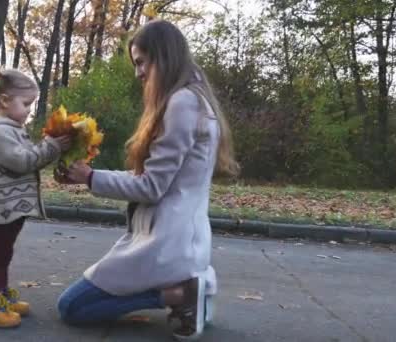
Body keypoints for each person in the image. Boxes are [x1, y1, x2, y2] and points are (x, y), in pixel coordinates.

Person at [55, 20, 239, 340]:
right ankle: (192, 291)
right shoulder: (193, 99)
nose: (138, 72)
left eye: (141, 62)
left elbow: (151, 188)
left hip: (165, 242)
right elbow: (151, 177)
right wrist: (87, 176)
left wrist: (91, 178)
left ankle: (180, 295)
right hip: (178, 239)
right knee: (77, 304)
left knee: (73, 307)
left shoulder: (182, 103)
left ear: (162, 56)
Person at [0, 68, 71, 328]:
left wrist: (52, 147)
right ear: (5, 101)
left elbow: (31, 157)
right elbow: (24, 161)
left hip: (8, 209)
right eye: (26, 103)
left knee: (3, 255)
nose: (29, 110)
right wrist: (52, 146)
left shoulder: (12, 130)